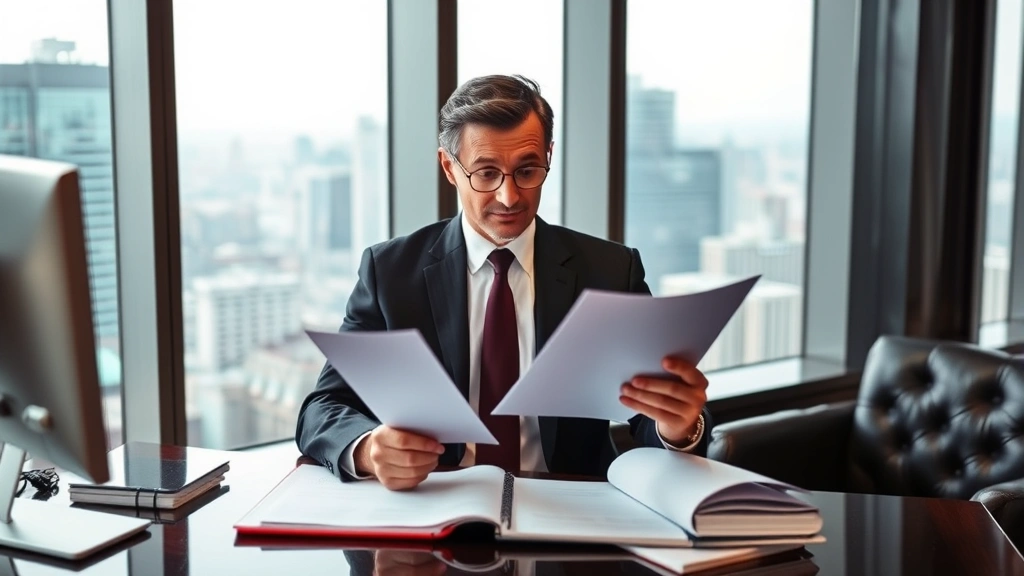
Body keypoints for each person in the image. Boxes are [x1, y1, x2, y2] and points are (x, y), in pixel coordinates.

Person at [296, 74, 711, 490]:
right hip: (435, 507)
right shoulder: (389, 272)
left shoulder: (609, 271)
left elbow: (649, 412)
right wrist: (370, 449)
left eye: (527, 170)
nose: (509, 197)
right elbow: (324, 407)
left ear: (549, 155)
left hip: (575, 515)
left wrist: (678, 427)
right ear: (449, 167)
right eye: (486, 173)